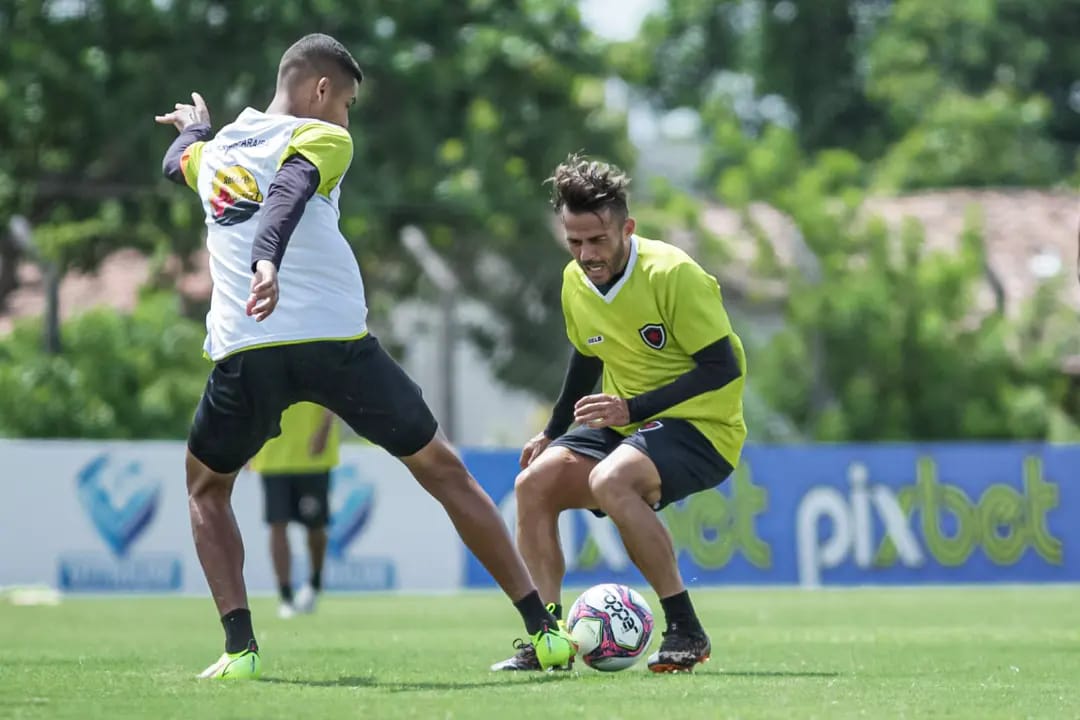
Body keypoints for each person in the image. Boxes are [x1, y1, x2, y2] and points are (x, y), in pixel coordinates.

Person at [156, 33, 574, 680]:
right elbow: (289, 194)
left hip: (248, 348)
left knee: (207, 490)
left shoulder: (215, 155)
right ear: (321, 90)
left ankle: (239, 650)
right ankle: (543, 631)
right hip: (333, 343)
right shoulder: (326, 140)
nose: (348, 117)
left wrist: (197, 127)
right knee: (445, 472)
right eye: (347, 102)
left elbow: (175, 162)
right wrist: (269, 259)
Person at [491, 154, 747, 673]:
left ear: (627, 227)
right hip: (625, 422)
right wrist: (553, 430)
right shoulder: (574, 281)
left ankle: (686, 630)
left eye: (598, 240)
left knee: (612, 480)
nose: (587, 254)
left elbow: (723, 366)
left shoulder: (672, 273)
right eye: (575, 242)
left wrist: (633, 406)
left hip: (703, 427)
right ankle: (549, 640)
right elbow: (588, 352)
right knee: (532, 484)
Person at [248, 402, 339, 619]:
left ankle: (314, 584)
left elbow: (335, 394)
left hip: (313, 456)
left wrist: (324, 429)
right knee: (277, 525)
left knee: (316, 528)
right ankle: (285, 596)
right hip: (272, 457)